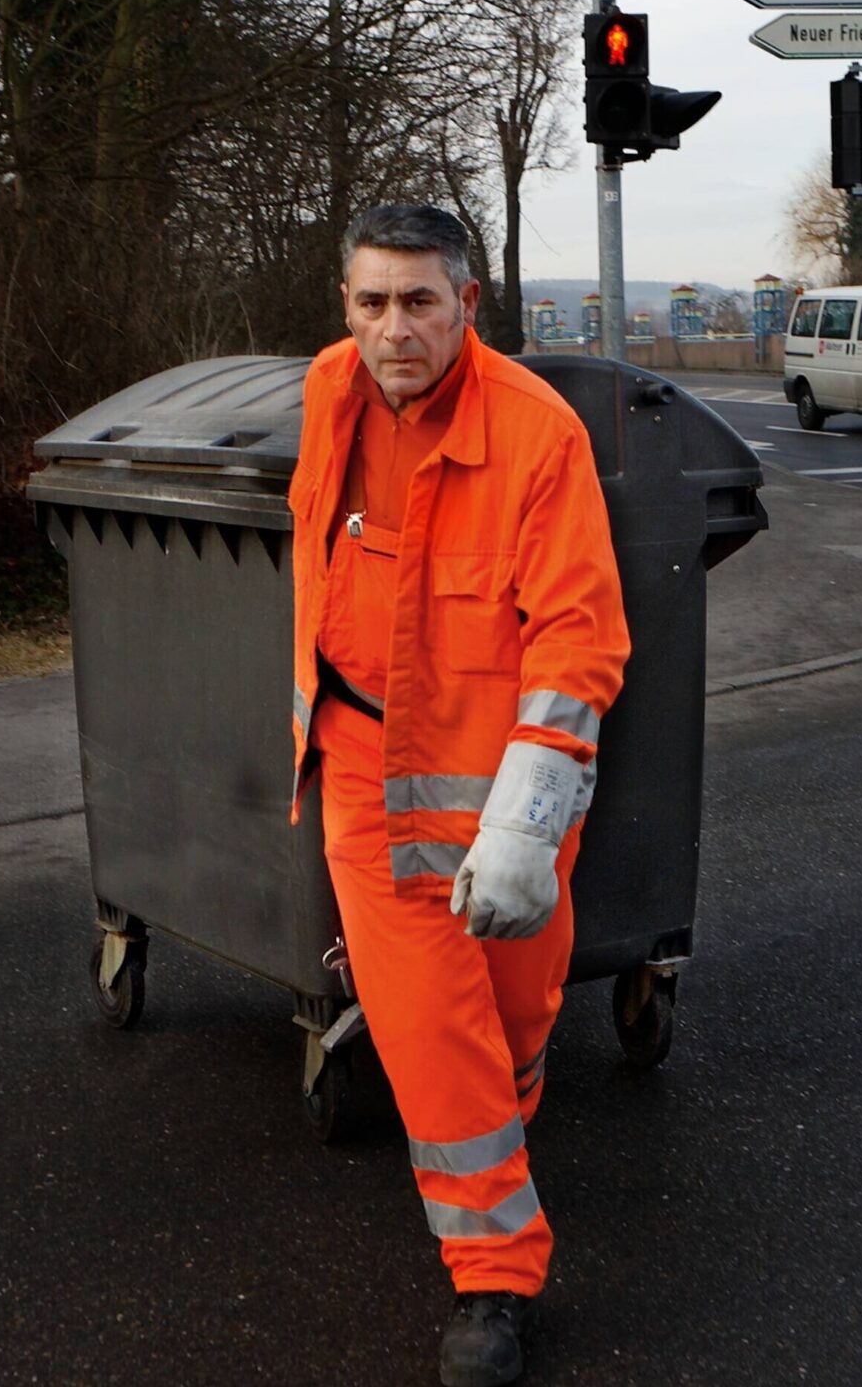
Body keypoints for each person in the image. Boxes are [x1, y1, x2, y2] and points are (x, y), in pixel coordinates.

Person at [286, 204, 630, 1387]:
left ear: (467, 305)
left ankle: (489, 1120)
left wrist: (530, 818)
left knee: (516, 1008)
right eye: (372, 302)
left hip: (504, 780)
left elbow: (580, 636)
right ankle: (493, 1270)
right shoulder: (329, 392)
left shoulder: (536, 434)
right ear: (345, 308)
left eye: (420, 301)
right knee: (432, 1020)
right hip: (365, 772)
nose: (395, 330)